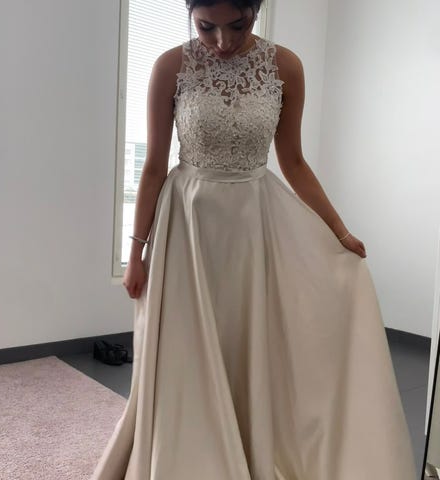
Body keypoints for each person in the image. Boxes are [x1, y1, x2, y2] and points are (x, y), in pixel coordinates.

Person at [91, 1, 417, 478]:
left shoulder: (286, 67)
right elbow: (155, 166)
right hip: (187, 225)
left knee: (247, 345)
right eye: (206, 27)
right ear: (190, 13)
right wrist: (135, 253)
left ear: (256, 9)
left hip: (253, 224)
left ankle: (247, 448)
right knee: (184, 352)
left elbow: (294, 161)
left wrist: (340, 231)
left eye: (237, 25)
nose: (222, 41)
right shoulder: (170, 66)